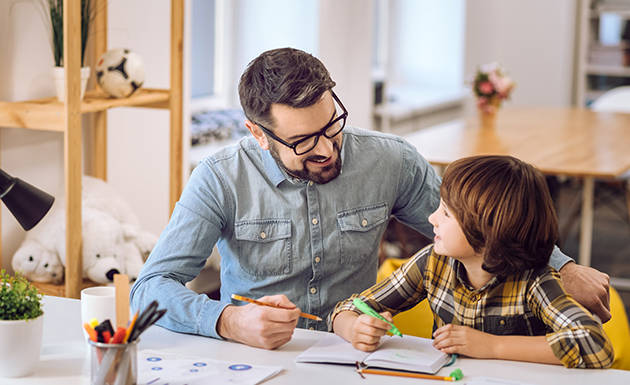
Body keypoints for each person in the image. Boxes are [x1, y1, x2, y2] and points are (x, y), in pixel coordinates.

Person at [130, 47, 611, 350]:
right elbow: (149, 287)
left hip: (356, 358)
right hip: (258, 360)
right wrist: (230, 321)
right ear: (258, 134)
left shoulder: (390, 160)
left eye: (331, 126)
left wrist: (564, 266)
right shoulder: (218, 178)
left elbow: (480, 225)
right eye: (301, 142)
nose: (324, 149)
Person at [331, 155, 614, 368]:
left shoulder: (535, 281)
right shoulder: (431, 264)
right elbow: (349, 307)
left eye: (446, 214)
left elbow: (596, 345)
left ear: (487, 233)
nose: (431, 218)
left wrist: (492, 346)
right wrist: (353, 328)